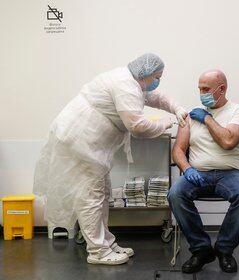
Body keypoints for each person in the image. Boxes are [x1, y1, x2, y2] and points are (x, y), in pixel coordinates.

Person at [33, 53, 188, 265]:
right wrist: (165, 123)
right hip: (82, 140)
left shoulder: (132, 81)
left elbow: (154, 97)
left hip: (88, 142)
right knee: (92, 194)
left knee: (102, 192)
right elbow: (138, 127)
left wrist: (177, 108)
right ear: (147, 73)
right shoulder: (125, 85)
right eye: (157, 77)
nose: (157, 82)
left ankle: (106, 243)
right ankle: (98, 251)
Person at [168, 69, 239, 273]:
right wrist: (187, 168)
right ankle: (201, 250)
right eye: (199, 89)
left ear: (222, 89)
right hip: (197, 173)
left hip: (230, 173)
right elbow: (178, 150)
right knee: (175, 194)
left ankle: (224, 250)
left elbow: (228, 141)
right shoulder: (191, 116)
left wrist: (207, 119)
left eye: (206, 89)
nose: (201, 93)